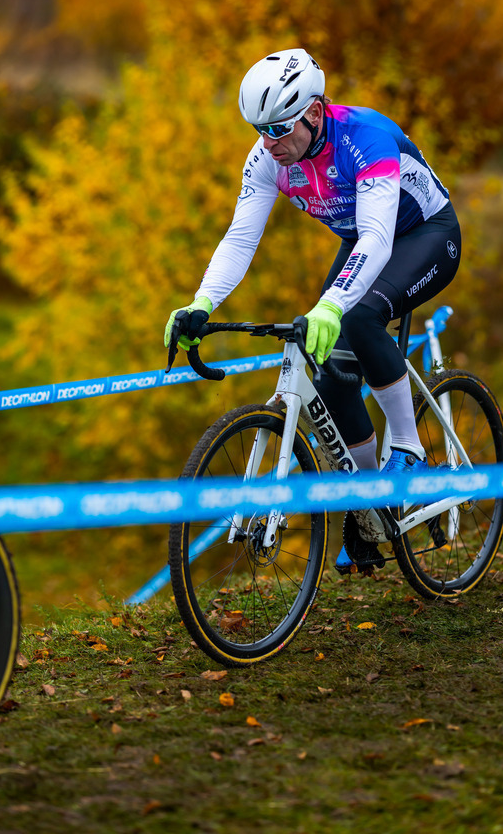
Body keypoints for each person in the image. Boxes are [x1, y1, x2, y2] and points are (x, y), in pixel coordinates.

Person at [164, 48, 461, 570]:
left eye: (279, 129)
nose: (270, 143)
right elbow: (240, 238)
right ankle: (372, 507)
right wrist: (202, 302)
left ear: (316, 112)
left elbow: (376, 236)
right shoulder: (267, 160)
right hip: (366, 239)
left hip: (424, 235)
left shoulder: (364, 139)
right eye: (260, 130)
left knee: (356, 316)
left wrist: (330, 305)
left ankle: (409, 451)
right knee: (326, 368)